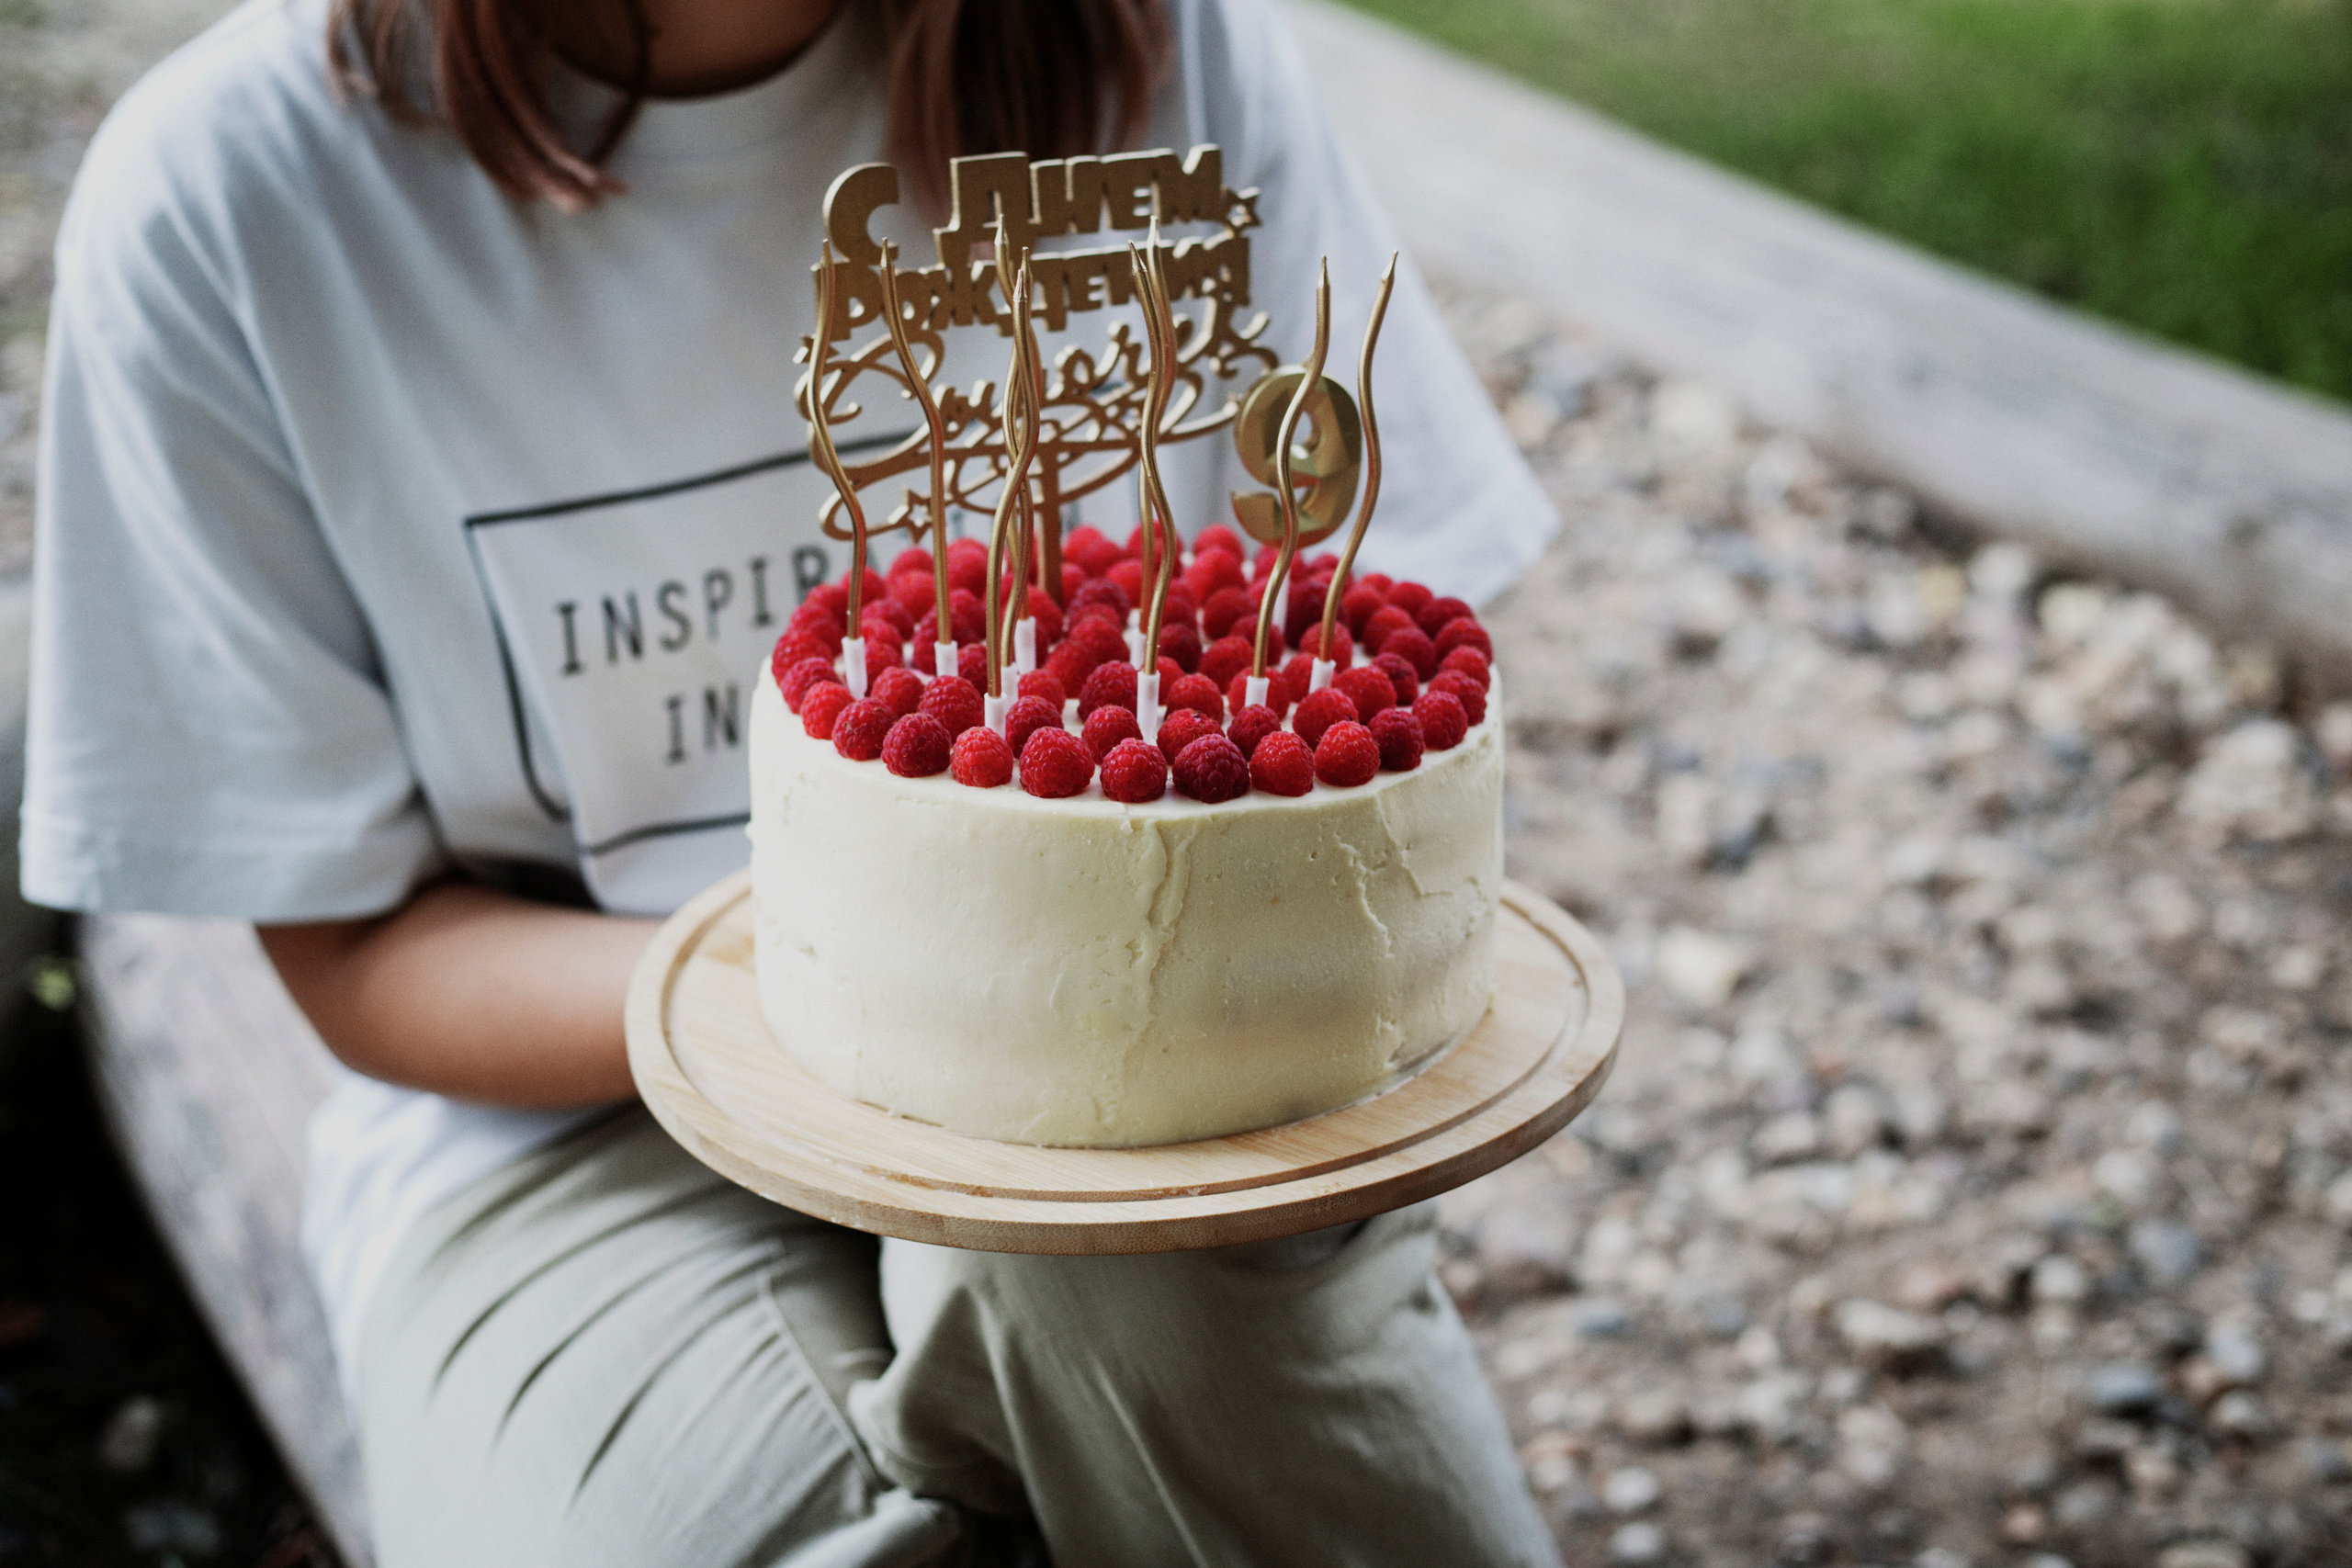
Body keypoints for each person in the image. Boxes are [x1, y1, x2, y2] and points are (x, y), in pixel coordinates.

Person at [22, 0, 1564, 1561]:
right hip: (565, 1125)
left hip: (1168, 1053)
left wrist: (1070, 1011)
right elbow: (357, 954)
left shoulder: (1156, 45)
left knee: (1200, 1342)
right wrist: (869, 996)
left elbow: (1373, 664)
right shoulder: (226, 198)